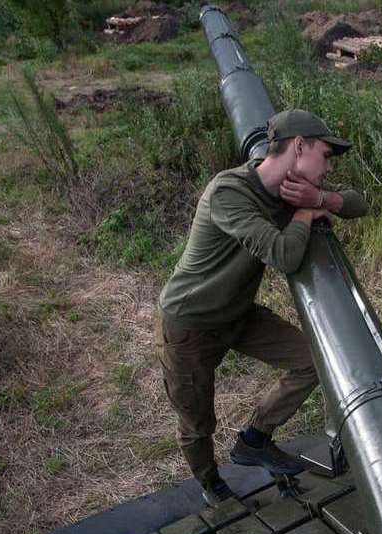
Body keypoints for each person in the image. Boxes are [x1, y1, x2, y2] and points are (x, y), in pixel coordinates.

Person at [155, 109, 367, 505]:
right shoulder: (229, 192)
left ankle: (255, 439)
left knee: (313, 359)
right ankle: (211, 485)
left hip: (238, 314)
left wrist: (322, 198)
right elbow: (283, 256)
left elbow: (359, 203)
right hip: (189, 322)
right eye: (325, 155)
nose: (327, 167)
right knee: (197, 422)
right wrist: (306, 212)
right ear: (299, 147)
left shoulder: (291, 187)